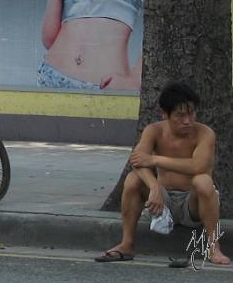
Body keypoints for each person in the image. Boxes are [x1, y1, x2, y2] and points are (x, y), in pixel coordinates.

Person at [95, 82, 229, 264]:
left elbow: (198, 166)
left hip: (192, 204)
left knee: (203, 181)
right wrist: (154, 187)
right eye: (180, 115)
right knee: (133, 179)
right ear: (165, 114)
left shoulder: (205, 133)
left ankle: (214, 248)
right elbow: (137, 161)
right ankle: (126, 244)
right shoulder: (154, 131)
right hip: (162, 202)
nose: (187, 121)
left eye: (191, 113)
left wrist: (155, 160)